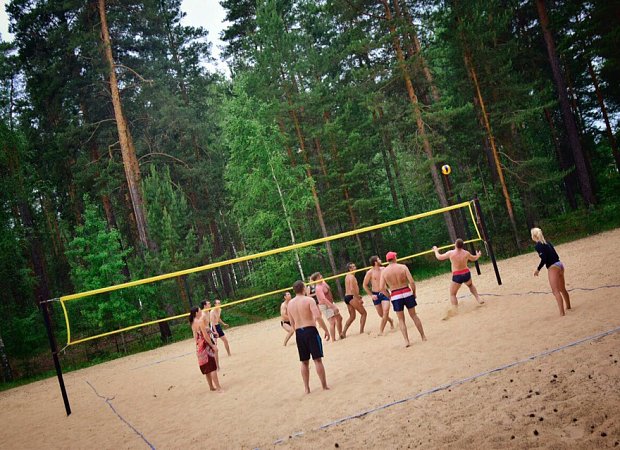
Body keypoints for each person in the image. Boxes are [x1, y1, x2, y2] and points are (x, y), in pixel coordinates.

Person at [288, 280, 329, 394]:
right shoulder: (309, 300)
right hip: (310, 330)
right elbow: (318, 317)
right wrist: (326, 330)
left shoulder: (290, 304)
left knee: (304, 362)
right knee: (317, 360)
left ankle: (307, 388)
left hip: (299, 333)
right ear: (303, 288)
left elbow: (292, 323)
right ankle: (324, 385)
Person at [379, 251, 426, 347]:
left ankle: (406, 341)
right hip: (406, 291)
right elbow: (411, 282)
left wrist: (389, 296)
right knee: (414, 316)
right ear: (394, 258)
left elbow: (381, 288)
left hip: (395, 294)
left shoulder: (384, 271)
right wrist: (414, 292)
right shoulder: (403, 267)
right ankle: (423, 336)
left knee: (401, 320)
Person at [432, 239, 484, 313]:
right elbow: (474, 258)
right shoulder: (466, 253)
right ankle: (478, 298)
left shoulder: (451, 253)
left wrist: (435, 250)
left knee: (452, 294)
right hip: (466, 273)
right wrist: (478, 255)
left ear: (455, 245)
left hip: (457, 275)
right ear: (462, 245)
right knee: (470, 285)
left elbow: (439, 257)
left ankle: (455, 310)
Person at [531, 227, 571, 316]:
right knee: (562, 289)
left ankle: (562, 313)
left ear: (534, 236)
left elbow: (544, 259)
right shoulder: (548, 243)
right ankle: (568, 306)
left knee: (555, 291)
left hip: (553, 267)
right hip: (560, 264)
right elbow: (556, 255)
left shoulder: (538, 246)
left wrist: (538, 269)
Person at [189, 307, 222, 391]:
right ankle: (218, 388)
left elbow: (196, 336)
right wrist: (212, 345)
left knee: (207, 369)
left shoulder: (193, 323)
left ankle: (211, 387)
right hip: (205, 345)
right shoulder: (200, 321)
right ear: (196, 313)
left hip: (199, 346)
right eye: (200, 311)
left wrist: (211, 331)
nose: (201, 312)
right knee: (213, 367)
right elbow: (205, 336)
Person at [362, 255, 394, 334]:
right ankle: (390, 321)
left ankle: (381, 331)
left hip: (384, 292)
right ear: (375, 262)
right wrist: (371, 295)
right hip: (375, 294)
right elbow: (364, 285)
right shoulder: (370, 272)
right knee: (381, 314)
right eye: (379, 259)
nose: (380, 260)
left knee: (385, 311)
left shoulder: (384, 269)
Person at [310, 272, 344, 342]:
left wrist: (332, 304)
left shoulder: (323, 283)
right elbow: (323, 299)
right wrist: (333, 307)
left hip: (330, 303)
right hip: (325, 305)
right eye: (319, 276)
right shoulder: (318, 288)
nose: (321, 276)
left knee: (339, 318)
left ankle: (340, 334)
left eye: (321, 275)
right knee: (332, 322)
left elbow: (328, 289)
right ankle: (333, 339)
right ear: (317, 279)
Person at [342, 262, 367, 336]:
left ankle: (343, 332)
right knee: (364, 313)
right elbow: (352, 289)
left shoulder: (347, 276)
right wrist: (358, 298)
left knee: (352, 317)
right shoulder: (352, 277)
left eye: (354, 266)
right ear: (350, 269)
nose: (355, 268)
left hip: (347, 297)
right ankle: (361, 331)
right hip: (351, 297)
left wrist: (357, 295)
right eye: (353, 267)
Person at [200, 300, 220, 369]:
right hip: (203, 336)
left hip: (208, 334)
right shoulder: (202, 315)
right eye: (208, 304)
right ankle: (213, 367)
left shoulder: (208, 312)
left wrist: (213, 332)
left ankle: (217, 366)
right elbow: (201, 327)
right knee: (211, 351)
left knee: (215, 350)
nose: (210, 304)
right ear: (205, 306)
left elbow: (207, 326)